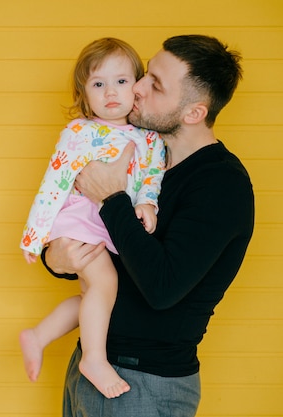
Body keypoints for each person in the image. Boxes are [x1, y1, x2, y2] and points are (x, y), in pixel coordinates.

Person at [41, 34, 255, 417]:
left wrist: (113, 199)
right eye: (146, 73)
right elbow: (95, 237)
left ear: (194, 113)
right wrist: (54, 257)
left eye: (155, 84)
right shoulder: (144, 158)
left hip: (141, 384)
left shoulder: (222, 185)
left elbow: (162, 287)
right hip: (91, 368)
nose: (136, 87)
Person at [18, 38, 166, 399]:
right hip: (80, 219)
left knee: (94, 296)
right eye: (98, 84)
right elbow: (54, 181)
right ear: (85, 93)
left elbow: (152, 177)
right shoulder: (79, 133)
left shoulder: (150, 138)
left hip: (110, 223)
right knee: (105, 285)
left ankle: (39, 335)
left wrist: (148, 204)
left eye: (121, 81)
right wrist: (35, 234)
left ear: (139, 86)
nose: (111, 92)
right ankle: (94, 360)